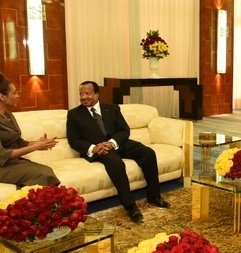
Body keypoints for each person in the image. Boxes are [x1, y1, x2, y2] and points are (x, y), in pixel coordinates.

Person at [66, 81, 170, 223]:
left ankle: (154, 196)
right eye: (81, 94)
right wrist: (94, 148)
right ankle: (130, 206)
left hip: (117, 143)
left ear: (97, 94)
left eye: (87, 93)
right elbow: (74, 140)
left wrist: (111, 143)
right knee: (116, 163)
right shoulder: (74, 114)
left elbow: (124, 130)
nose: (83, 97)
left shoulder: (112, 108)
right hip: (98, 149)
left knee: (148, 153)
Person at [0, 72, 60, 186]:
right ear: (2, 97)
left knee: (47, 171)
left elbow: (18, 142)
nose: (17, 96)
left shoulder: (8, 115)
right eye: (14, 93)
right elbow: (0, 154)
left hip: (10, 162)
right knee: (44, 174)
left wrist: (39, 144)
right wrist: (35, 147)